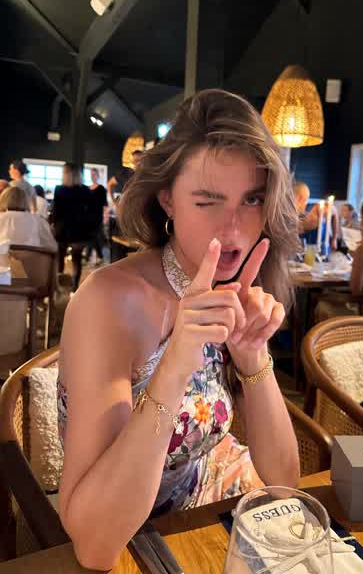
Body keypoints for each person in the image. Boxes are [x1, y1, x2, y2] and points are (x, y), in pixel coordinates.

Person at [57, 89, 301, 571]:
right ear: (167, 198)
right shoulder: (108, 301)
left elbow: (284, 483)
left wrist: (253, 355)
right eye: (208, 201)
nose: (233, 228)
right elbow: (95, 545)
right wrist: (174, 365)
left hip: (220, 517)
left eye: (252, 199)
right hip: (141, 541)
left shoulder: (235, 290)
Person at [50, 163, 96, 290]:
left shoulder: (59, 189)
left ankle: (59, 287)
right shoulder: (86, 190)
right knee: (77, 260)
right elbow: (90, 213)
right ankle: (75, 289)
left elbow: (56, 212)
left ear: (65, 174)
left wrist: (52, 225)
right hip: (80, 231)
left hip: (62, 230)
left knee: (60, 260)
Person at [0, 186, 57, 251]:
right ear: (26, 201)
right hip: (32, 256)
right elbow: (53, 247)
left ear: (2, 200)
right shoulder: (39, 221)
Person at [86, 168, 108, 264]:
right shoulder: (87, 189)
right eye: (91, 174)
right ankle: (98, 256)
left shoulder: (101, 189)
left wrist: (105, 216)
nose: (92, 176)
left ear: (98, 176)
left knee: (95, 236)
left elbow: (105, 204)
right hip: (88, 217)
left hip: (97, 217)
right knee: (92, 236)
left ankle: (90, 257)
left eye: (94, 174)